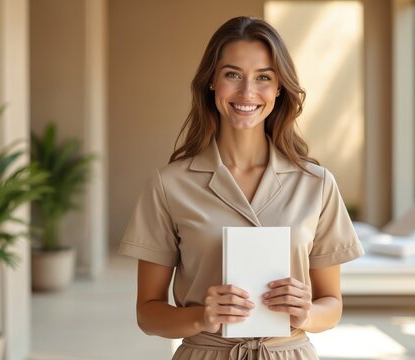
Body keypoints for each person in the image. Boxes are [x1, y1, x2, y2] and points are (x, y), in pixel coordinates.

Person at [118, 16, 364, 360]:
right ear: (211, 83)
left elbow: (332, 305)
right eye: (232, 74)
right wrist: (200, 317)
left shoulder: (317, 184)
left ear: (279, 88)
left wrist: (306, 312)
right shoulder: (169, 184)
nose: (247, 92)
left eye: (263, 77)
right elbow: (148, 313)